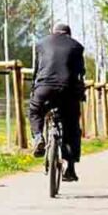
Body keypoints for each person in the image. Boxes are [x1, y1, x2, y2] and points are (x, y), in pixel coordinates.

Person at [29, 23, 86, 182]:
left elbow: (36, 70)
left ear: (52, 33)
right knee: (72, 125)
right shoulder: (77, 46)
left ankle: (38, 136)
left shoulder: (40, 44)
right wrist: (81, 94)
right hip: (68, 89)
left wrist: (34, 89)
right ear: (69, 34)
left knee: (35, 111)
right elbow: (80, 73)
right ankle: (71, 168)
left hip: (44, 88)